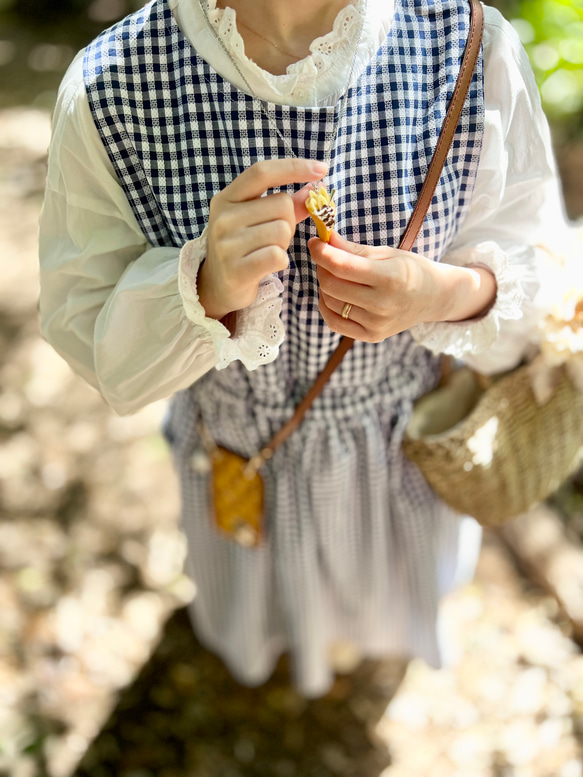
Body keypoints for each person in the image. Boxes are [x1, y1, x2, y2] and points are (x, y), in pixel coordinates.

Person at [38, 0, 569, 698]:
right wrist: (203, 284)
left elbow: (542, 265)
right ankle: (277, 649)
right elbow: (87, 323)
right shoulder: (116, 85)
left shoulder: (464, 48)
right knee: (261, 602)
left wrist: (441, 293)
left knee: (382, 598)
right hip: (238, 446)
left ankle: (360, 649)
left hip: (393, 449)